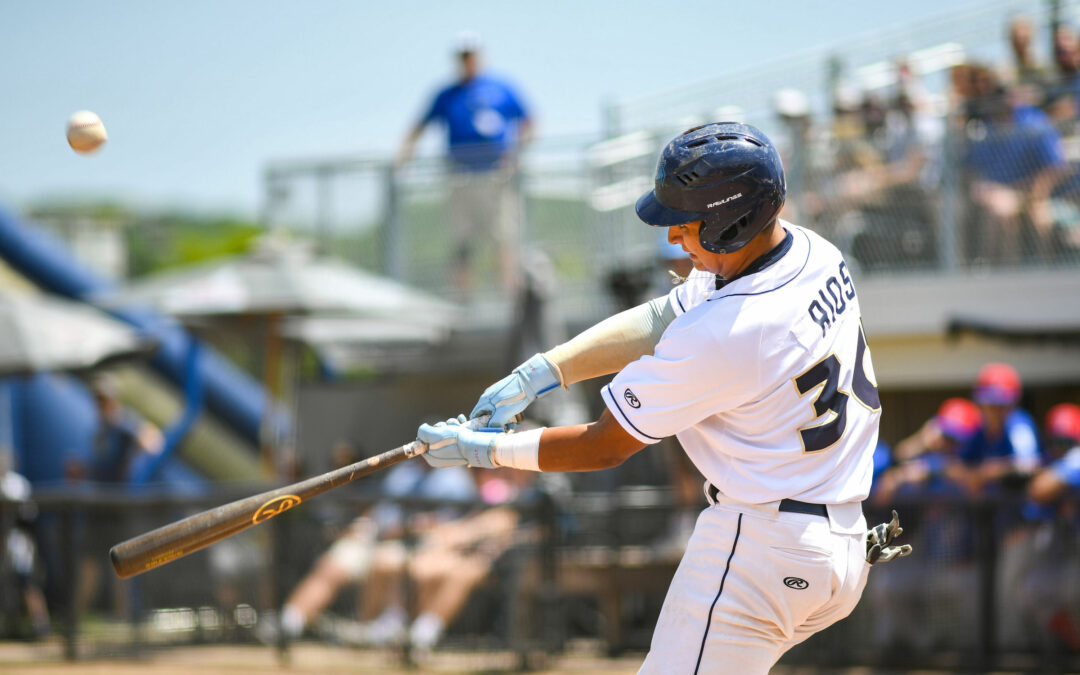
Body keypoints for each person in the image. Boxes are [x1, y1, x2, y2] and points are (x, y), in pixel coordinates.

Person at [416, 122, 911, 673]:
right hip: (836, 549)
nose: (674, 237)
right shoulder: (814, 251)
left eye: (685, 221)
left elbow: (603, 446)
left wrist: (483, 450)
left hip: (762, 547)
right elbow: (663, 315)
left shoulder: (729, 334)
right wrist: (545, 370)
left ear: (733, 219)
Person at [396, 32, 534, 297]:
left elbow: (529, 122)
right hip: (460, 177)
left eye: (471, 55)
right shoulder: (446, 94)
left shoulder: (501, 87)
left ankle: (509, 298)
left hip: (497, 177)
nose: (467, 61)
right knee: (462, 242)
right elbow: (419, 125)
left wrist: (516, 151)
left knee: (503, 239)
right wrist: (405, 153)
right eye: (462, 57)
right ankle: (462, 300)